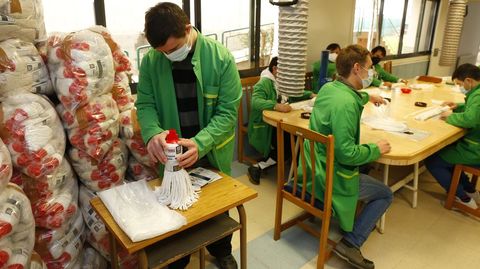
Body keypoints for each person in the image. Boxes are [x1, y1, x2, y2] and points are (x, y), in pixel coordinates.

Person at [136, 3, 242, 269]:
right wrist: (152, 135)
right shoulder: (152, 60)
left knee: (217, 206)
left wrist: (201, 143)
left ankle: (222, 251)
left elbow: (228, 113)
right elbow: (145, 104)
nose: (167, 56)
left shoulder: (221, 59)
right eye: (161, 52)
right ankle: (179, 259)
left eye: (172, 49)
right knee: (176, 205)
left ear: (187, 29)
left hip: (211, 149)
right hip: (172, 152)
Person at [301, 45, 393, 269]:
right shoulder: (347, 104)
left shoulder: (330, 88)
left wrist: (367, 97)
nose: (372, 72)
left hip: (313, 167)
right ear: (356, 68)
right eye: (369, 68)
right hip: (331, 176)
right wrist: (375, 148)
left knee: (367, 167)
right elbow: (346, 153)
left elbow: (348, 96)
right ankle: (351, 243)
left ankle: (348, 218)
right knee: (386, 194)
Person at [247, 56, 315, 185]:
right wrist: (276, 105)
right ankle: (260, 166)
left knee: (297, 138)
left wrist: (310, 94)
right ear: (275, 69)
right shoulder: (265, 82)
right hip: (266, 125)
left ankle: (297, 174)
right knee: (292, 140)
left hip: (280, 122)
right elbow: (255, 102)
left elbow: (295, 92)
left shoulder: (281, 82)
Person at [425, 63, 480, 209]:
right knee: (448, 153)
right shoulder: (476, 93)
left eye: (459, 84)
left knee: (433, 161)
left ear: (469, 80)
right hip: (475, 145)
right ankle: (469, 189)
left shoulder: (477, 95)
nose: (460, 87)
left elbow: (470, 119)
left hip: (475, 150)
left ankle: (462, 198)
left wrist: (449, 116)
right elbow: (474, 111)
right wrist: (458, 106)